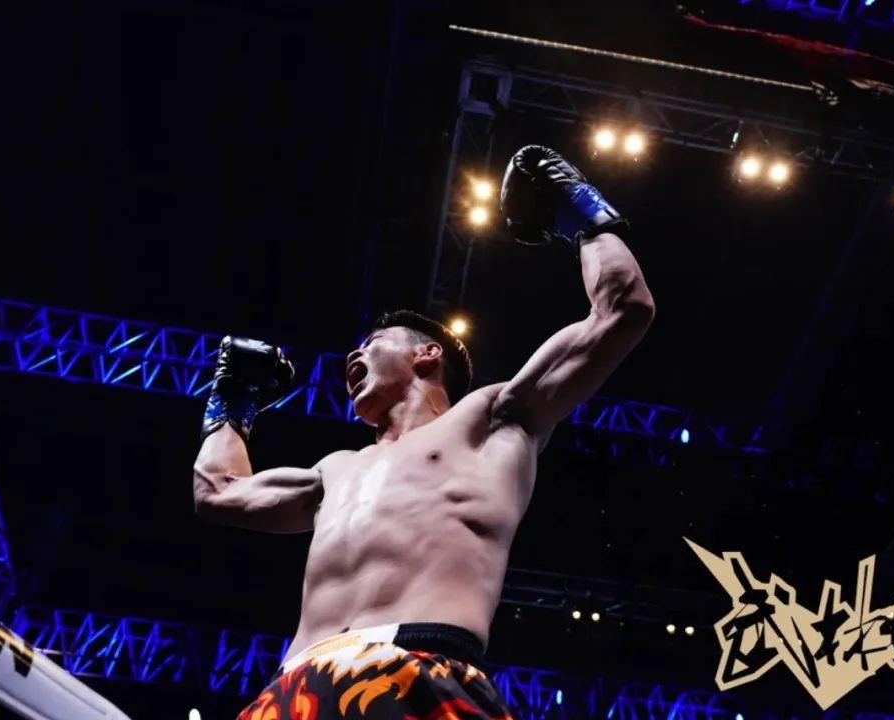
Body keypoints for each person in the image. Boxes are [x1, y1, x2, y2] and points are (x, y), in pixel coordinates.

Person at [193, 145, 656, 720]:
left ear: (427, 355)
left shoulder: (493, 419)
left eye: (371, 345)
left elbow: (624, 310)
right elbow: (217, 492)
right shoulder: (335, 471)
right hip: (294, 689)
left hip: (420, 666)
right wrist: (232, 401)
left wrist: (580, 213)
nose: (352, 358)